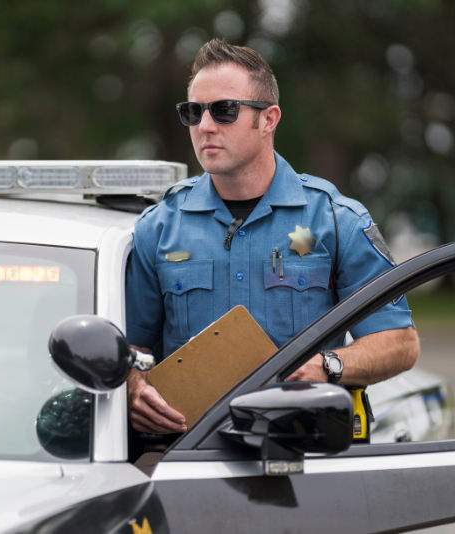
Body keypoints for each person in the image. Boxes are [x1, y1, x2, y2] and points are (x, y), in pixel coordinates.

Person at [125, 38, 419, 435]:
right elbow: (133, 349)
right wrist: (132, 384)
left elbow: (399, 342)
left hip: (309, 450)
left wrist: (329, 367)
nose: (205, 126)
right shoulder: (158, 227)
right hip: (189, 455)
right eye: (193, 112)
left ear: (269, 119)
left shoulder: (335, 220)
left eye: (224, 111)